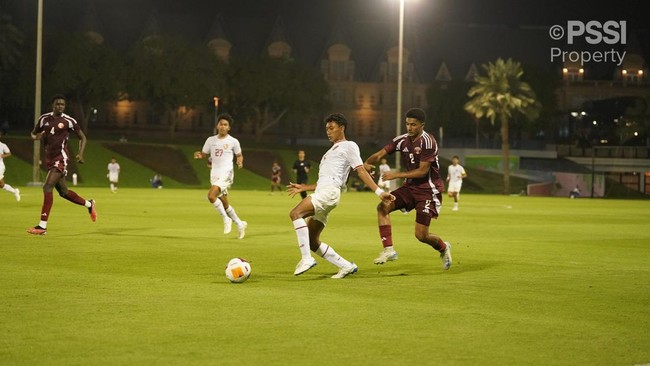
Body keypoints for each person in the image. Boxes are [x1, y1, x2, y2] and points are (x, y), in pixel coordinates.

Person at [287, 113, 394, 279]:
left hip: (329, 192)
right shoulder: (330, 152)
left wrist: (379, 192)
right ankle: (346, 266)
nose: (328, 132)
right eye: (326, 129)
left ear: (341, 128)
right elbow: (325, 179)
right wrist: (304, 187)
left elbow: (360, 170)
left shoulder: (349, 146)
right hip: (324, 190)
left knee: (295, 214)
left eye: (331, 128)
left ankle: (306, 258)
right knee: (312, 241)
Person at [364, 108, 452, 270]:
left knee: (421, 235)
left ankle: (443, 247)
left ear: (422, 125)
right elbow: (379, 154)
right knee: (383, 207)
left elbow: (423, 171)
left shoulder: (428, 141)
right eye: (407, 124)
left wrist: (396, 175)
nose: (409, 127)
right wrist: (367, 163)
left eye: (413, 125)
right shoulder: (402, 140)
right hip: (410, 188)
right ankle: (389, 250)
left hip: (428, 191)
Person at [27, 94, 97, 235]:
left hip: (61, 158)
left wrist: (80, 153)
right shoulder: (44, 119)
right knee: (64, 193)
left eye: (62, 104)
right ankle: (89, 204)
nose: (60, 106)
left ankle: (42, 226)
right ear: (53, 105)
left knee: (47, 187)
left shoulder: (68, 121)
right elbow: (33, 133)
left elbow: (82, 137)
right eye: (57, 104)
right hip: (49, 159)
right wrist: (36, 137)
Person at [194, 113, 247, 239]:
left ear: (229, 128)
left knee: (211, 196)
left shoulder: (233, 141)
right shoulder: (210, 140)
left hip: (227, 172)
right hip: (215, 173)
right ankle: (240, 224)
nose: (222, 126)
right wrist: (199, 155)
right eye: (221, 124)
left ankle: (226, 219)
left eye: (225, 125)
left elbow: (239, 155)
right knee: (224, 202)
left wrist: (240, 161)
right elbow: (204, 154)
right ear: (217, 126)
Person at [0, 133, 21, 201]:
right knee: (1, 185)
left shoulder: (3, 145)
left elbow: (9, 153)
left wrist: (3, 155)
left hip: (0, 166)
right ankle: (15, 191)